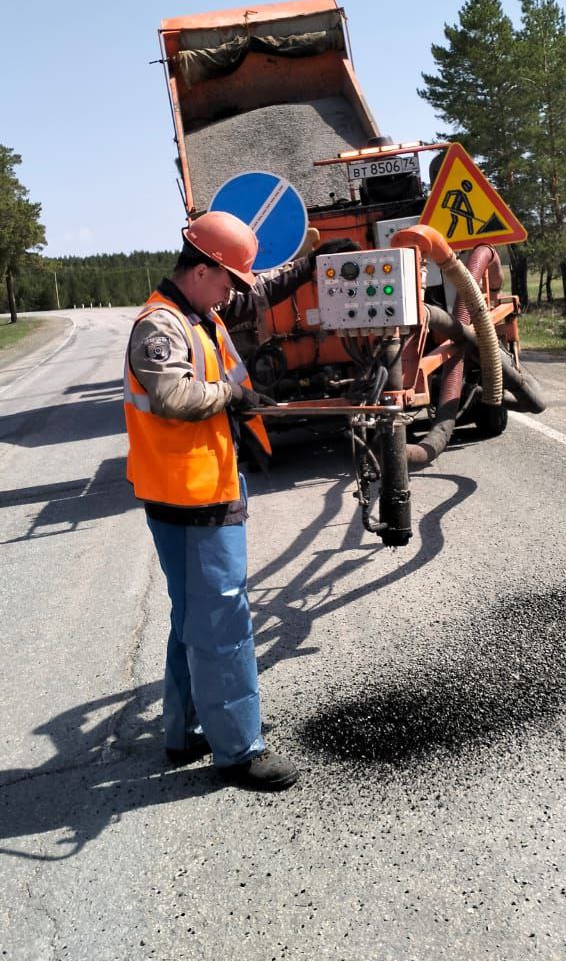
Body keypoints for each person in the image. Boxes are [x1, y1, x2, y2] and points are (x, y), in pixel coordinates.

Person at [123, 209, 355, 792]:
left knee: (191, 617)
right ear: (203, 269)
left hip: (187, 487)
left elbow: (258, 295)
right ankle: (238, 750)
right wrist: (233, 394)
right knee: (224, 620)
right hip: (194, 494)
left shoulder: (198, 313)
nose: (233, 294)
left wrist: (309, 265)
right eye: (228, 280)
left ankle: (182, 733)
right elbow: (174, 394)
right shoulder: (161, 325)